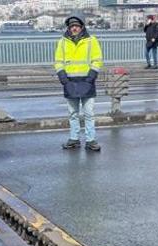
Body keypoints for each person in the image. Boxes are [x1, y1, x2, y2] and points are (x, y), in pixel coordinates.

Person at [54, 15, 104, 152]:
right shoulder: (63, 42)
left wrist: (91, 77)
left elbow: (97, 59)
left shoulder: (91, 40)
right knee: (73, 113)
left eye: (76, 26)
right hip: (70, 82)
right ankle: (74, 139)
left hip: (87, 81)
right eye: (71, 26)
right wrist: (63, 78)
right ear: (69, 28)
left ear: (82, 27)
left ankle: (90, 140)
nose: (74, 28)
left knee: (89, 113)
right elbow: (58, 61)